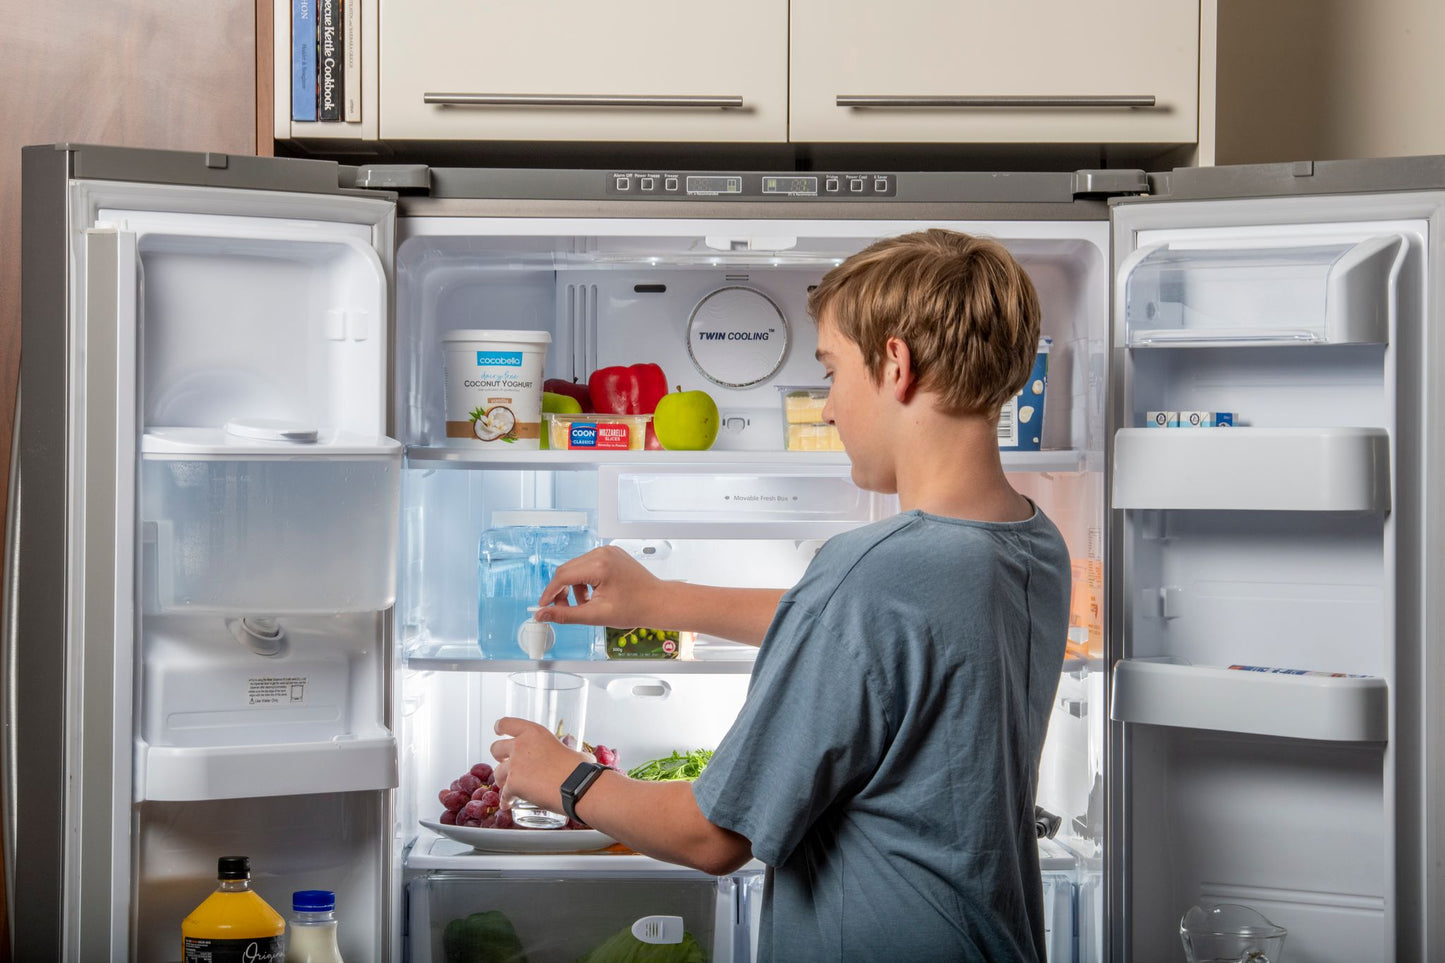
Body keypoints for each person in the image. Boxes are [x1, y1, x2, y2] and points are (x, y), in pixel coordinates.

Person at [490, 229, 1071, 961]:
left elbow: (709, 835)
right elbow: (890, 639)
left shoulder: (869, 573)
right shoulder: (1029, 540)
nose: (827, 408)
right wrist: (661, 600)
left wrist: (566, 778)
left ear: (895, 364)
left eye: (831, 371)